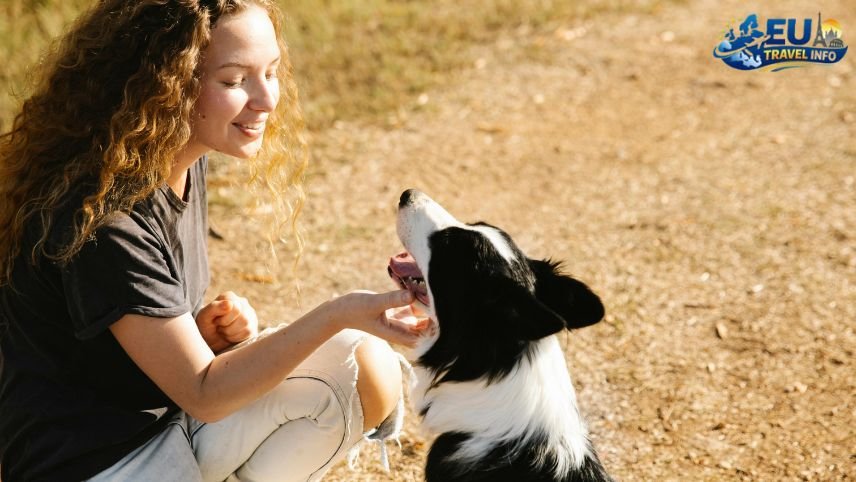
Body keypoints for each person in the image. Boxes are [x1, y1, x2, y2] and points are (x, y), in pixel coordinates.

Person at [0, 1, 424, 480]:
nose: (266, 99)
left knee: (367, 371)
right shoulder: (104, 220)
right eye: (235, 80)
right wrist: (339, 312)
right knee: (353, 356)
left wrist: (196, 334)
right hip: (99, 466)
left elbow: (110, 353)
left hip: (153, 433)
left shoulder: (180, 158)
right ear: (165, 85)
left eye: (272, 71)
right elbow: (205, 392)